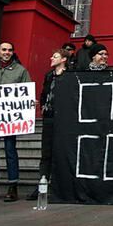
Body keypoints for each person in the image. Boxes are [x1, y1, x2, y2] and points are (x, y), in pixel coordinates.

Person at [0, 42, 32, 202]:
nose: (7, 52)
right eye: (4, 50)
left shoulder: (21, 71)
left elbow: (27, 90)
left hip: (11, 120)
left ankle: (12, 187)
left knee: (10, 151)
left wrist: (31, 101)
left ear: (12, 52)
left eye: (9, 50)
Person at [26, 49, 69, 201]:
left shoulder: (70, 75)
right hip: (49, 118)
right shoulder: (49, 75)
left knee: (61, 153)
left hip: (64, 120)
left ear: (63, 59)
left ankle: (60, 186)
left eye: (55, 56)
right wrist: (42, 104)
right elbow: (44, 93)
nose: (51, 58)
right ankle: (41, 185)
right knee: (46, 154)